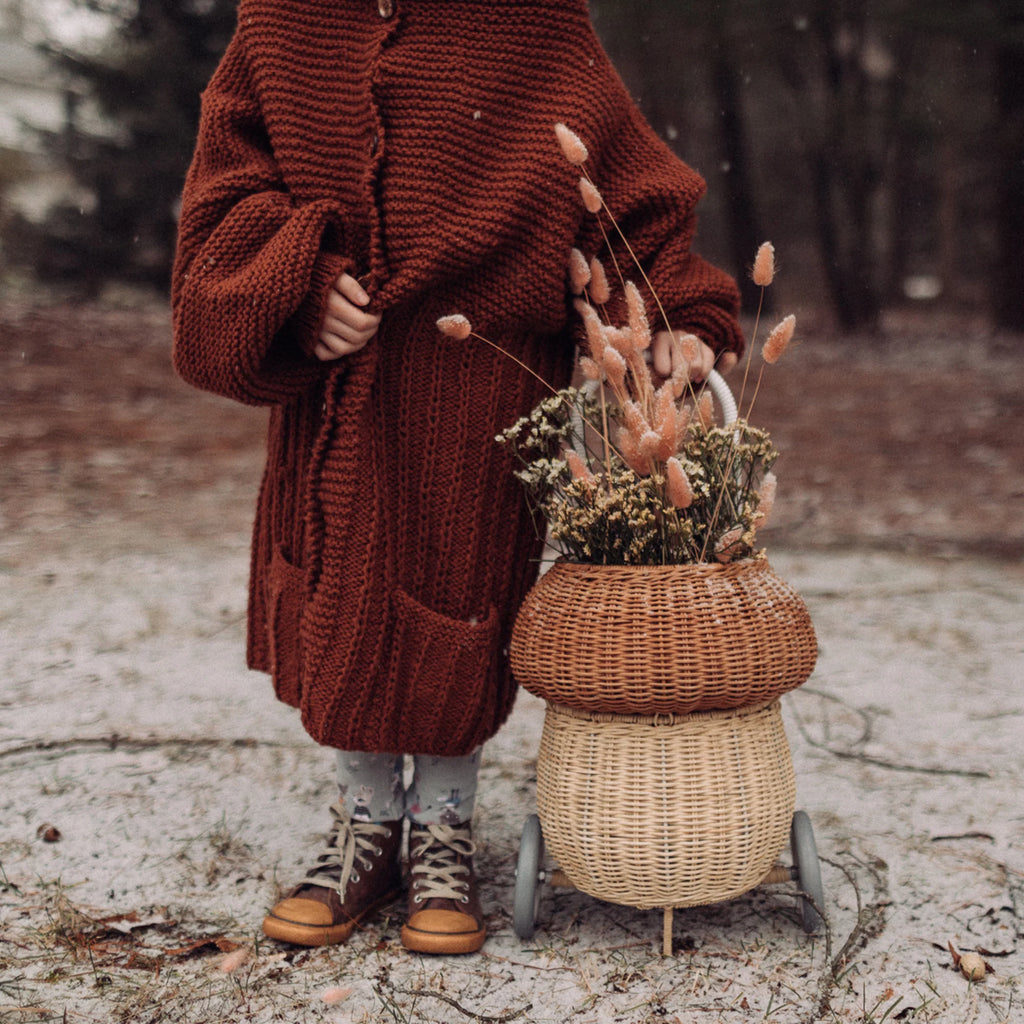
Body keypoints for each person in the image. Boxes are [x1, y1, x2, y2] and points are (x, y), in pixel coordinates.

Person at [171, 0, 743, 956]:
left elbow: (625, 193)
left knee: (455, 595)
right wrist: (296, 284)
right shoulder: (281, 22)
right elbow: (224, 198)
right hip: (337, 379)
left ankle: (441, 829)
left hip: (479, 378)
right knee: (343, 596)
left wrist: (677, 313)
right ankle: (365, 825)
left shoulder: (534, 24)